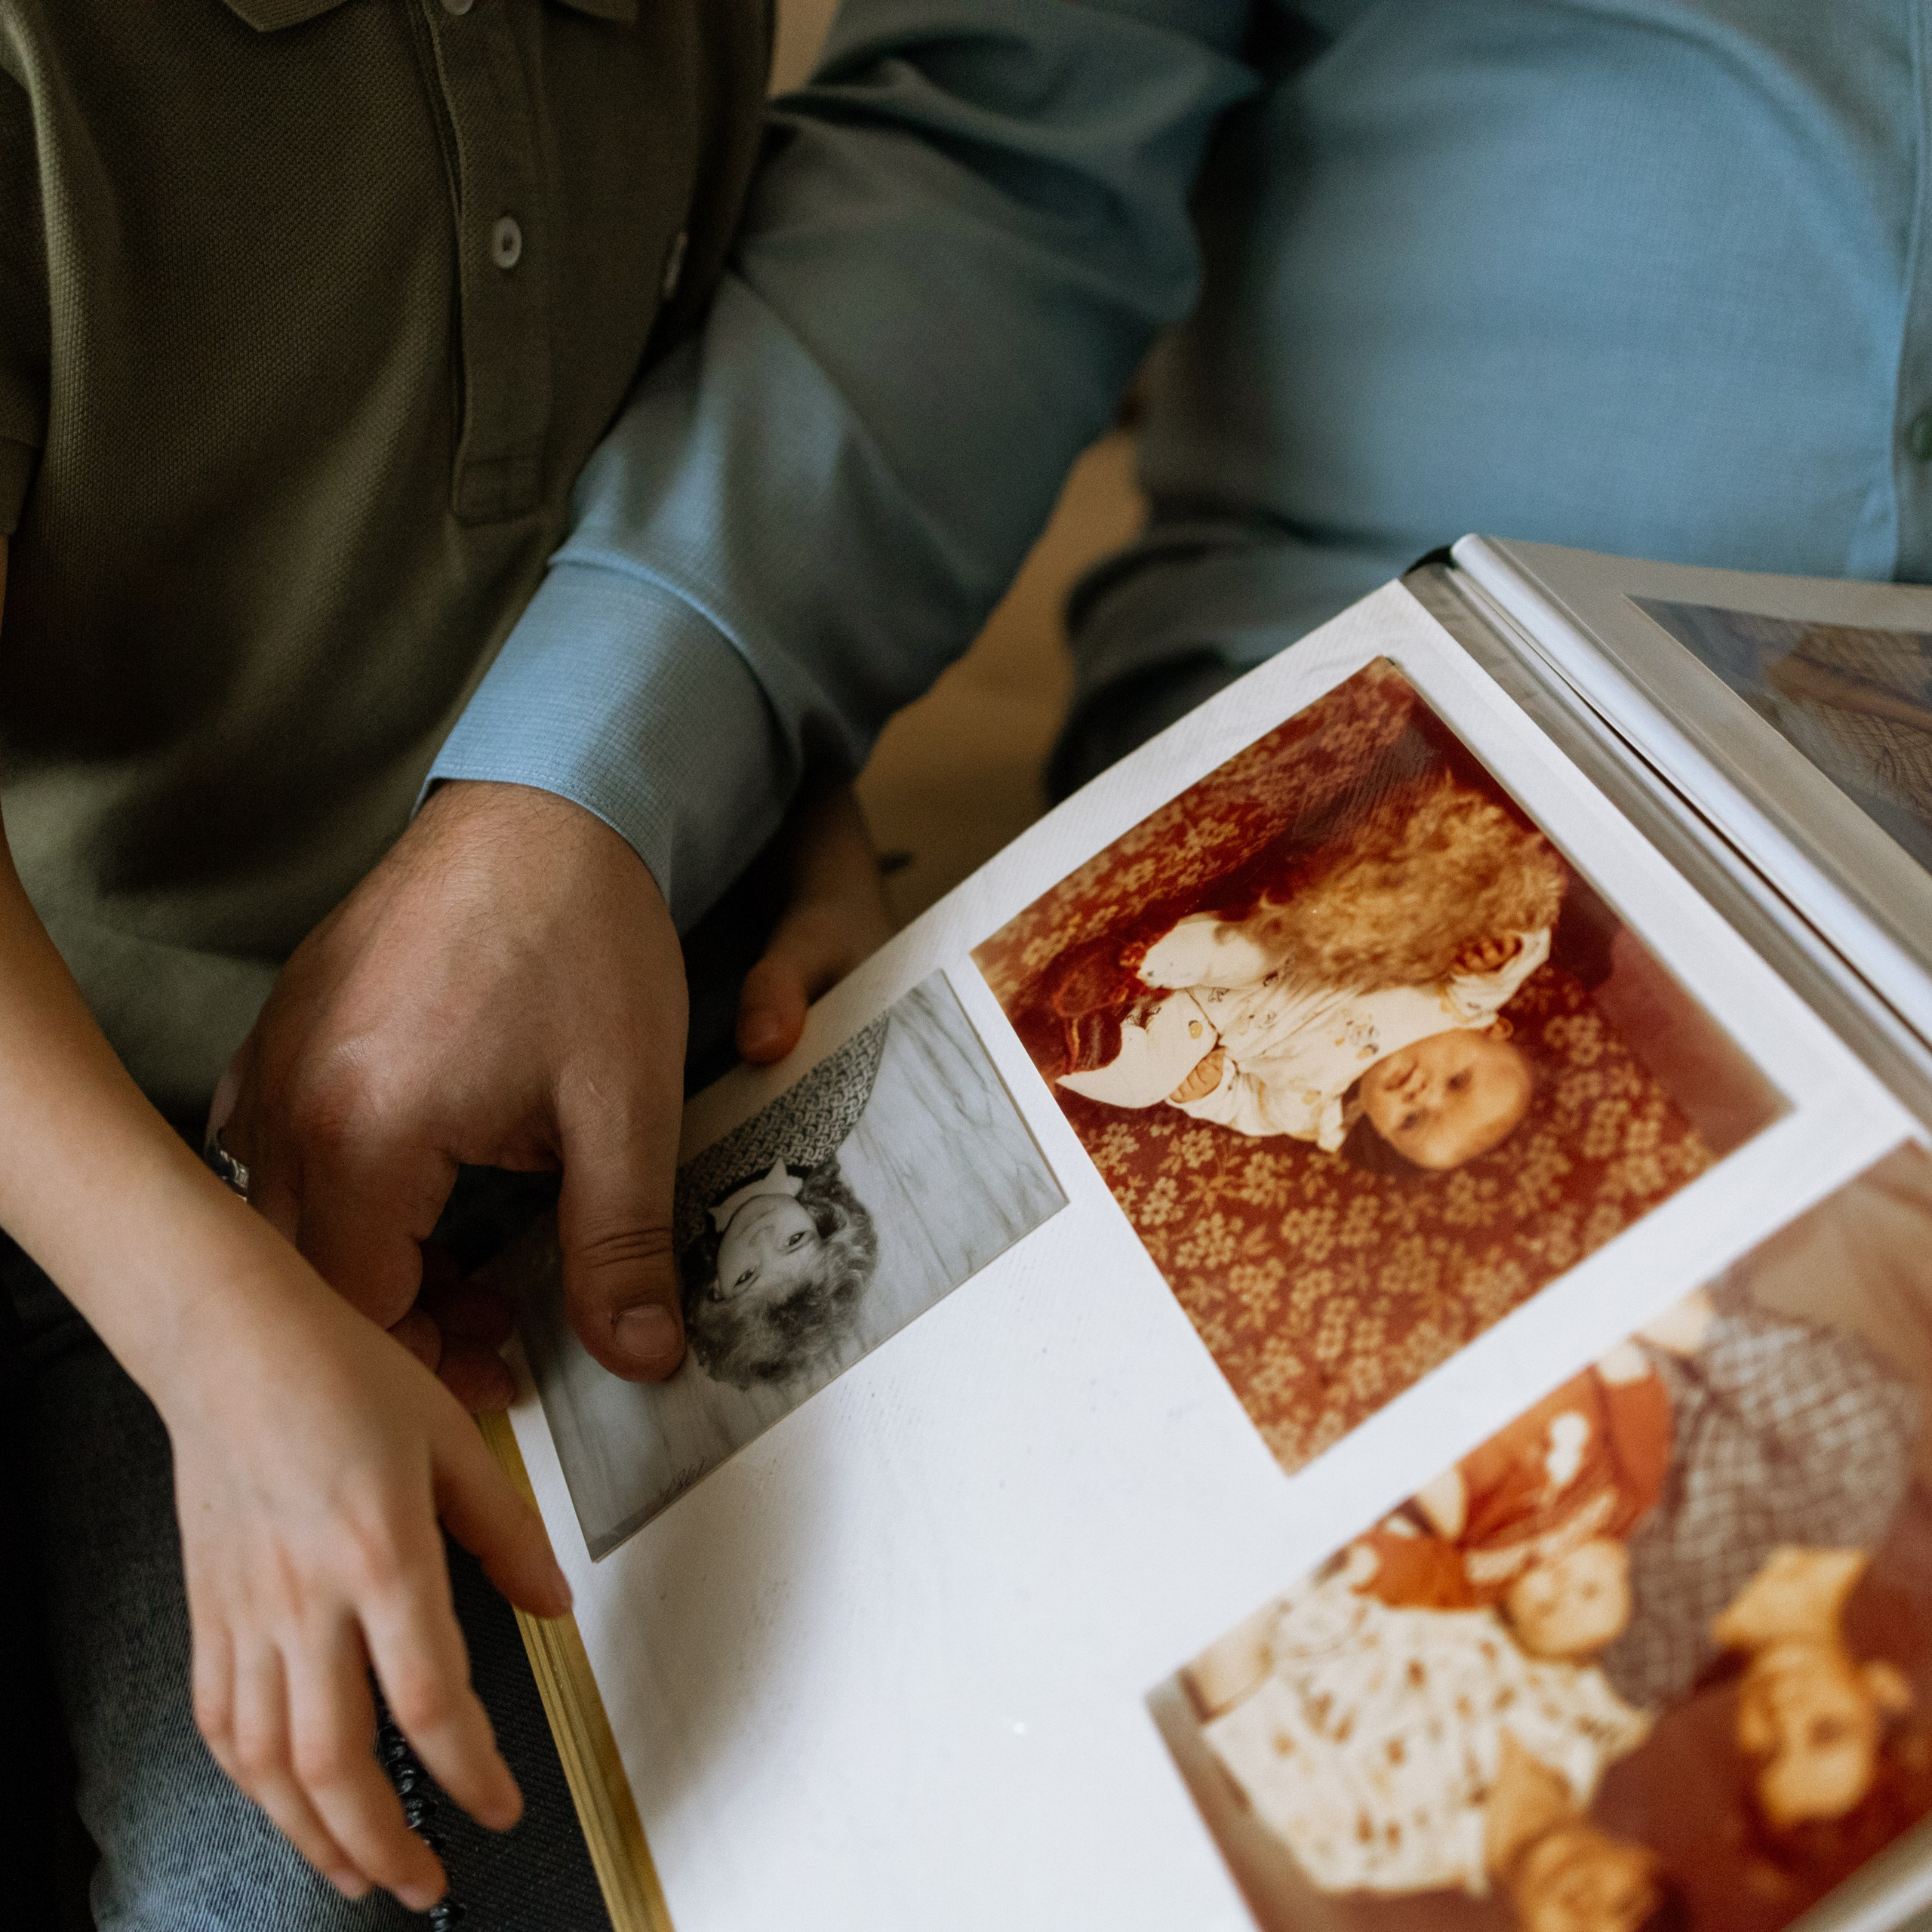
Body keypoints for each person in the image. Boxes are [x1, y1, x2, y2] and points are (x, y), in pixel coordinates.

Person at [6, 0, 1925, 1922]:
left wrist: (749, 776)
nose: (1423, 1090)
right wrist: (633, 751)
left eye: (1418, 1114)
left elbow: (647, 360)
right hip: (161, 1148)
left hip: (671, 983)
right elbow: (989, 144)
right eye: (1445, 1084)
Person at [673, 1013, 887, 1387]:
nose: (762, 1238)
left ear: (716, 1291)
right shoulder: (832, 1104)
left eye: (747, 1275)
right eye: (793, 1241)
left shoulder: (666, 1214)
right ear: (823, 1222)